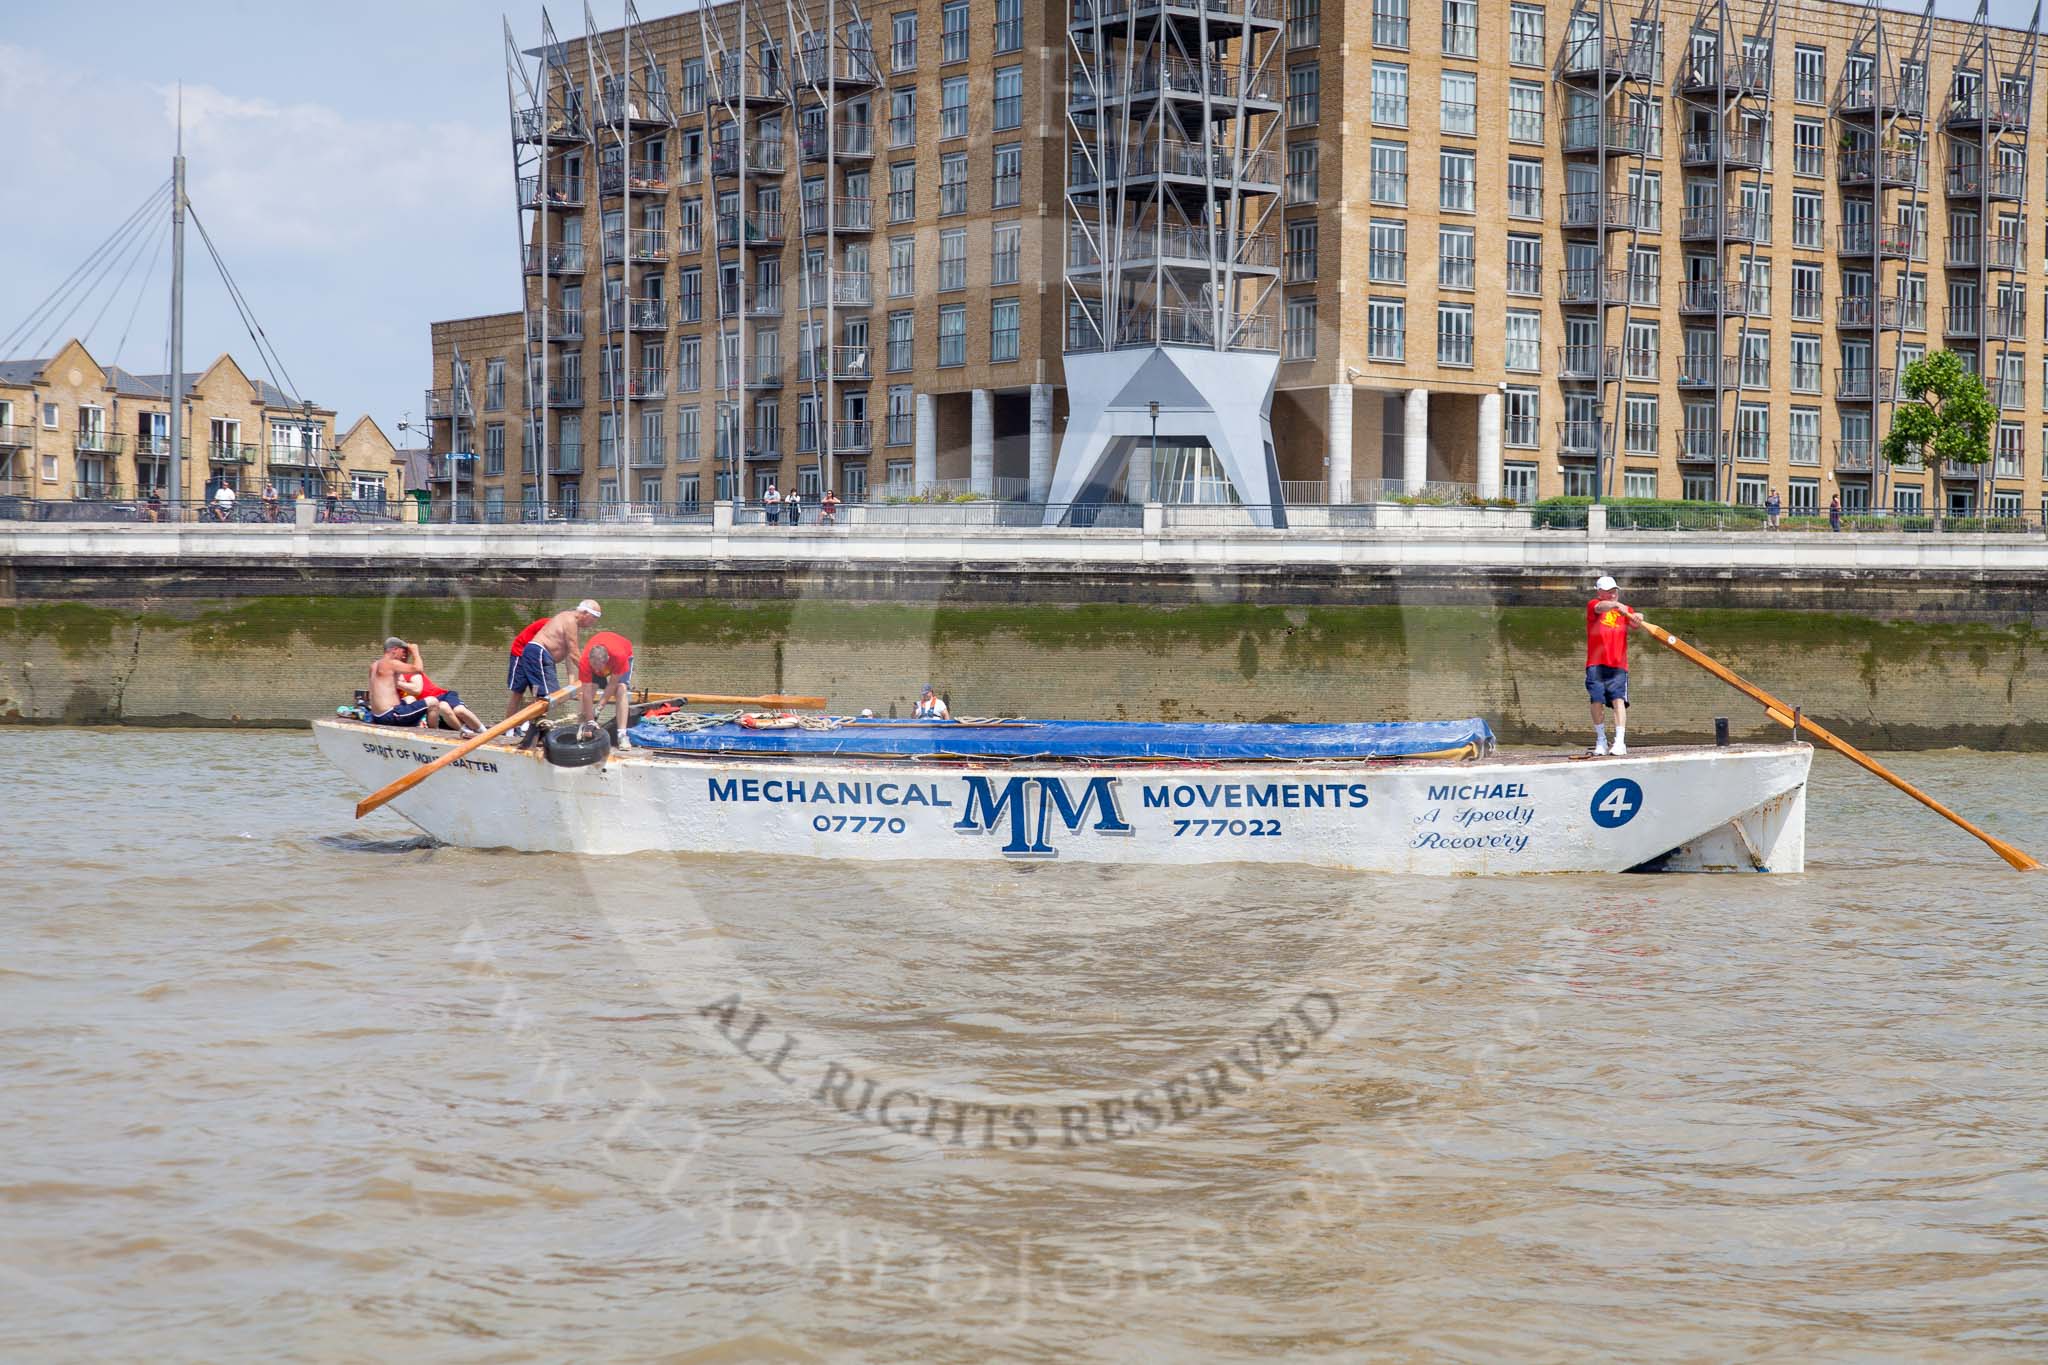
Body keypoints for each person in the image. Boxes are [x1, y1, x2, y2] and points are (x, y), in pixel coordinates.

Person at [506, 598, 602, 720]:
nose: (594, 622)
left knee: (543, 696)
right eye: (594, 618)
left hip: (541, 656)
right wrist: (591, 673)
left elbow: (570, 655)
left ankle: (527, 726)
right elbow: (574, 653)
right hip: (538, 653)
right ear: (585, 613)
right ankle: (537, 725)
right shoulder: (570, 620)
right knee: (550, 696)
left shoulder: (571, 624)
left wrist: (572, 681)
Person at [1586, 574, 1645, 756]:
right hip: (1595, 663)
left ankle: (1619, 742)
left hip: (1619, 664)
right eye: (1608, 592)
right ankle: (1601, 741)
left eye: (1614, 591)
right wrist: (1616, 606)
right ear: (1599, 592)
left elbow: (1635, 623)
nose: (1612, 594)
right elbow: (1600, 607)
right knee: (1596, 700)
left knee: (1618, 700)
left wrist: (1638, 616)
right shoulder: (1593, 605)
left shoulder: (1626, 609)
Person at [394, 643, 486, 736]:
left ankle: (485, 732)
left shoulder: (410, 671)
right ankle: (468, 734)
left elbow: (417, 682)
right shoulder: (394, 683)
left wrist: (415, 652)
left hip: (443, 695)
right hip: (433, 704)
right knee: (443, 707)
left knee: (459, 711)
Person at [575, 628, 637, 751]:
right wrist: (590, 719)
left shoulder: (619, 657)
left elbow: (612, 684)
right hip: (598, 656)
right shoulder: (585, 662)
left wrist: (599, 708)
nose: (596, 670)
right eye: (594, 666)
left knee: (621, 688)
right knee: (591, 687)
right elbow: (586, 692)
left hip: (624, 652)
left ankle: (622, 734)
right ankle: (583, 724)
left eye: (599, 667)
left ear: (607, 660)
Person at [365, 637, 432, 728]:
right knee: (432, 701)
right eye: (403, 652)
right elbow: (418, 668)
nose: (404, 656)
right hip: (390, 716)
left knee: (410, 698)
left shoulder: (374, 665)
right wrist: (415, 652)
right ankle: (433, 731)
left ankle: (416, 724)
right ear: (395, 649)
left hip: (377, 716)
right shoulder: (392, 663)